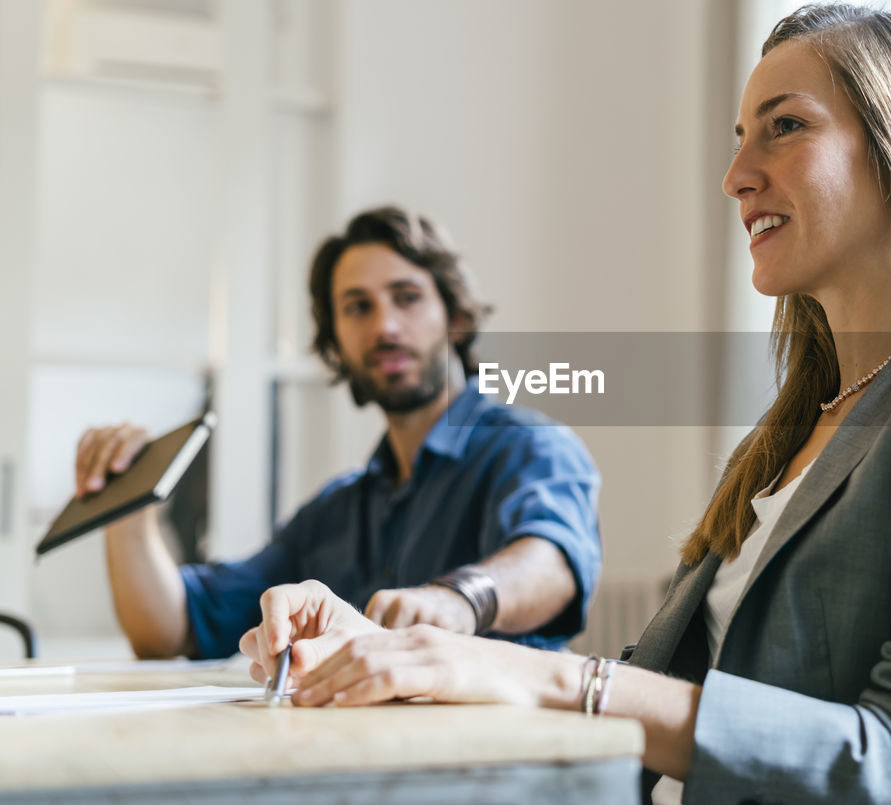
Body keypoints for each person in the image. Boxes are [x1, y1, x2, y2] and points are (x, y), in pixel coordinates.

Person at [239, 4, 891, 804]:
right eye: (741, 137)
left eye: (784, 128)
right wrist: (405, 657)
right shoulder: (786, 436)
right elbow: (656, 691)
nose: (736, 174)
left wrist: (539, 674)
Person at [75, 206, 602, 660]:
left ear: (456, 318)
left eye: (407, 297)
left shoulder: (532, 448)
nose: (385, 327)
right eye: (357, 307)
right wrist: (128, 511)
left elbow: (552, 562)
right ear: (336, 342)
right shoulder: (335, 513)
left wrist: (457, 600)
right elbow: (172, 629)